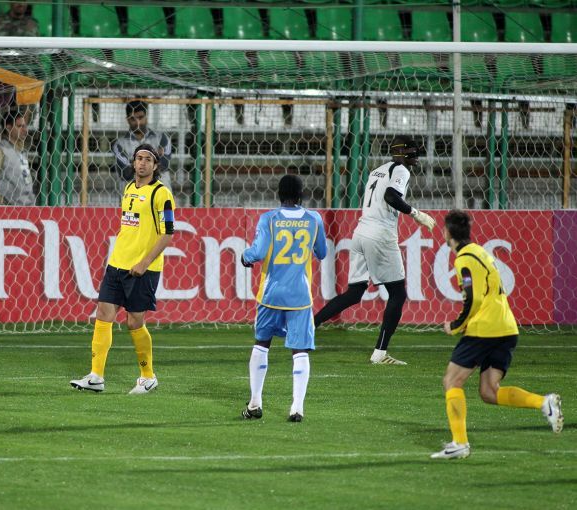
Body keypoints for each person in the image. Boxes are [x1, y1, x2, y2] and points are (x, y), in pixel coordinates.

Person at [431, 210, 563, 460]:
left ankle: (460, 443)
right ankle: (543, 403)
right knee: (489, 391)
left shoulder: (464, 259)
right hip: (506, 327)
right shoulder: (480, 252)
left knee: (452, 381)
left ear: (447, 232)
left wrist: (456, 325)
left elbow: (473, 298)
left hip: (485, 329)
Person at [312, 138, 436, 365]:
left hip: (360, 233)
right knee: (398, 294)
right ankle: (380, 353)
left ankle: (310, 325)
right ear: (402, 152)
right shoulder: (401, 170)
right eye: (413, 151)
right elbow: (391, 196)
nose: (416, 154)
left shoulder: (377, 171)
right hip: (380, 235)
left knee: (354, 292)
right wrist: (417, 214)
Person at [70, 143, 176, 395]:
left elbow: (167, 234)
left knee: (134, 321)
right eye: (139, 158)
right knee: (103, 313)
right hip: (117, 263)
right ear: (133, 162)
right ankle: (96, 376)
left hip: (143, 269)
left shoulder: (161, 194)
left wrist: (144, 263)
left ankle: (148, 377)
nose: (142, 163)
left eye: (147, 159)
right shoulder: (128, 188)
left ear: (155, 165)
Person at [240, 175, 327, 422]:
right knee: (300, 350)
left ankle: (255, 403)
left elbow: (257, 252)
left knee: (261, 344)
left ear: (278, 194)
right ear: (301, 195)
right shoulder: (314, 219)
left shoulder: (269, 218)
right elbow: (322, 252)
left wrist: (245, 257)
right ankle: (297, 408)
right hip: (300, 296)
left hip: (271, 294)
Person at [111, 100, 173, 191]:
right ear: (127, 120)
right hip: (133, 196)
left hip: (159, 194)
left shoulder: (162, 138)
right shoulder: (119, 144)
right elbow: (126, 173)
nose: (138, 122)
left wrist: (134, 162)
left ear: (146, 118)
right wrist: (154, 158)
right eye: (133, 119)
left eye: (140, 117)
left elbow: (164, 165)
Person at [0, 109, 36, 206]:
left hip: (26, 209)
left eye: (25, 126)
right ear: (8, 128)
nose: (25, 130)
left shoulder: (22, 153)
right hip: (8, 211)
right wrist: (2, 204)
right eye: (20, 126)